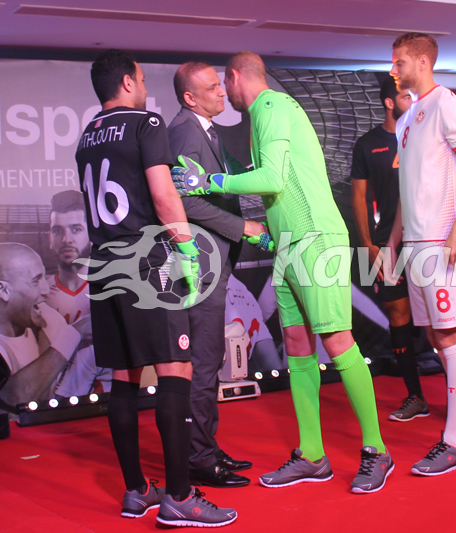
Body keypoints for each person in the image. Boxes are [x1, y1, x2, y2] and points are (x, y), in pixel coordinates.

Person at [171, 51, 393, 494]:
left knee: (337, 340)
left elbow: (272, 179)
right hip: (291, 245)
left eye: (223, 84)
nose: (222, 93)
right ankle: (312, 455)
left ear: (235, 77)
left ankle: (377, 451)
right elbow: (283, 185)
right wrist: (267, 235)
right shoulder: (264, 114)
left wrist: (209, 183)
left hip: (313, 242)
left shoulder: (270, 107)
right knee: (296, 343)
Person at [77, 49, 235, 526]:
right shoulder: (146, 123)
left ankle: (136, 491)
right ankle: (181, 498)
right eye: (142, 79)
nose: (145, 87)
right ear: (127, 82)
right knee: (176, 370)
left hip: (103, 264)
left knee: (123, 378)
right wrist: (188, 255)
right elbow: (165, 197)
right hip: (146, 260)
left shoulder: (87, 137)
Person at [386, 32, 456, 475]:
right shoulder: (406, 118)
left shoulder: (447, 104)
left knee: (451, 335)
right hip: (416, 244)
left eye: (399, 62)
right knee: (435, 335)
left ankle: (454, 443)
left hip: (444, 244)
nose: (393, 69)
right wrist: (392, 241)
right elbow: (406, 188)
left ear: (423, 62)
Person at [168, 61, 266, 489]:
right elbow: (183, 202)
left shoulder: (202, 128)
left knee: (211, 361)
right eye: (212, 88)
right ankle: (199, 459)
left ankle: (205, 445)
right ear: (190, 97)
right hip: (200, 262)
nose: (222, 93)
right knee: (204, 364)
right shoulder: (186, 130)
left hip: (213, 260)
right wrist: (242, 226)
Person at [351, 76, 429, 422]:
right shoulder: (368, 144)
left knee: (441, 321)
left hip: (427, 240)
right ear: (388, 102)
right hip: (386, 245)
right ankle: (415, 396)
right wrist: (368, 244)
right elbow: (359, 197)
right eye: (403, 96)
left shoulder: (423, 134)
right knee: (398, 317)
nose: (410, 100)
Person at [44, 190, 112, 398]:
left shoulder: (113, 285)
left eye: (76, 229)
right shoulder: (38, 296)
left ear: (91, 235)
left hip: (112, 401)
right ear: (50, 238)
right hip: (55, 405)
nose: (67, 239)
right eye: (58, 231)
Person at [0, 244, 80, 410]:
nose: (45, 290)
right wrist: (72, 335)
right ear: (3, 290)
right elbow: (12, 398)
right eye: (36, 280)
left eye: (45, 277)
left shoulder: (50, 319)